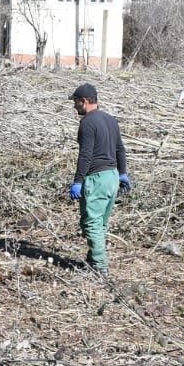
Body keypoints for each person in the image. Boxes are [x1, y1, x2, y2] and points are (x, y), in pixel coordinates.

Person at [68, 83, 130, 276]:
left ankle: (99, 267)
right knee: (101, 222)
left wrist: (78, 181)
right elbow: (120, 149)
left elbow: (85, 155)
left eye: (76, 102)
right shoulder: (110, 120)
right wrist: (122, 173)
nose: (74, 106)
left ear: (84, 101)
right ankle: (92, 259)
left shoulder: (87, 123)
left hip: (96, 178)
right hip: (112, 176)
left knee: (92, 224)